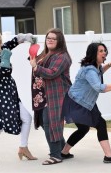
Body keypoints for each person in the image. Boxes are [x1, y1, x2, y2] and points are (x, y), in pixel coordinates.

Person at [61, 42, 111, 163]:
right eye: (101, 51)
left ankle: (64, 152)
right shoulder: (90, 70)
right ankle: (109, 156)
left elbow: (100, 71)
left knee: (83, 129)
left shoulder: (94, 67)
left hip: (79, 102)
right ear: (93, 53)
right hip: (79, 103)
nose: (104, 53)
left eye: (105, 51)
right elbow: (99, 87)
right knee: (100, 124)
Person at [0, 29, 37, 165]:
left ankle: (23, 147)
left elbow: (13, 42)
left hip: (9, 91)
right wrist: (5, 60)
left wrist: (25, 38)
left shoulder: (1, 49)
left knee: (26, 117)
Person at [29, 28, 72, 165]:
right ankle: (62, 148)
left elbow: (52, 72)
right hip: (41, 94)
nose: (50, 40)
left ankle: (56, 155)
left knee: (51, 123)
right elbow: (34, 59)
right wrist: (32, 52)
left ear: (59, 41)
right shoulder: (46, 53)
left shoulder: (62, 56)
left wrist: (36, 67)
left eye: (54, 38)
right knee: (42, 121)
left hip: (55, 94)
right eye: (48, 38)